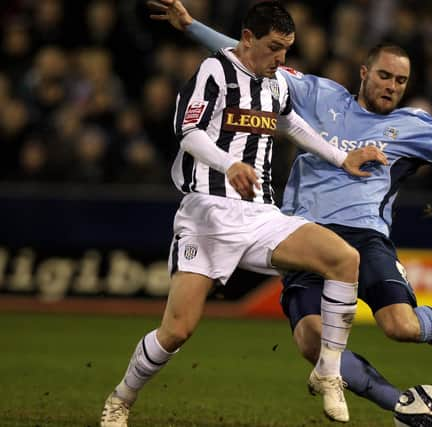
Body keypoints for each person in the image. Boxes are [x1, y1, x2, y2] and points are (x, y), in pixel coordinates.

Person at [148, 0, 432, 414]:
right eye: (384, 76)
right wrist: (189, 27)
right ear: (364, 72)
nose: (391, 87)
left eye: (400, 81)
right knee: (311, 342)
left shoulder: (414, 126)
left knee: (400, 326)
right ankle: (402, 405)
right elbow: (252, 58)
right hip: (302, 235)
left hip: (366, 236)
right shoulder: (318, 95)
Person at [100, 3, 390, 426]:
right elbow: (189, 133)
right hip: (206, 214)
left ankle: (328, 372)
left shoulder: (276, 85)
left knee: (345, 259)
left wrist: (341, 157)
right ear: (248, 38)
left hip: (259, 214)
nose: (281, 59)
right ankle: (120, 399)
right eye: (274, 48)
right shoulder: (213, 72)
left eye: (287, 50)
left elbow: (291, 124)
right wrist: (228, 165)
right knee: (176, 332)